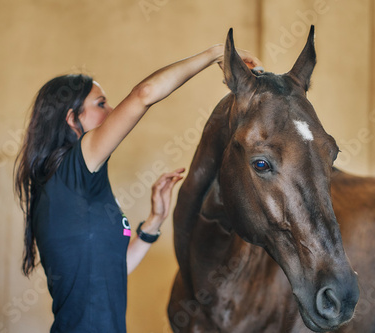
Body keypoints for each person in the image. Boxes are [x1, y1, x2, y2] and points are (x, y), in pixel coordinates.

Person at [14, 42, 261, 332]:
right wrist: (213, 54)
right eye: (101, 104)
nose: (114, 110)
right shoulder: (73, 169)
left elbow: (114, 270)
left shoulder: (76, 183)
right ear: (72, 119)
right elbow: (144, 95)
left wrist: (154, 221)